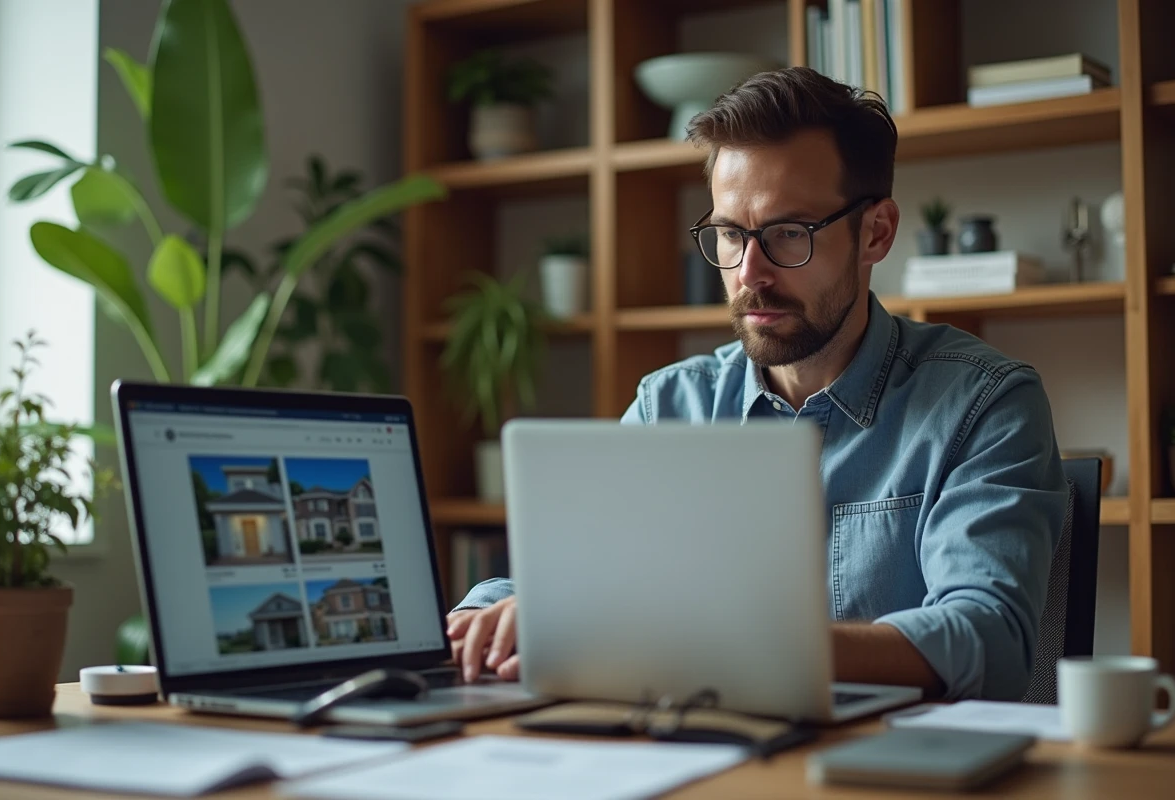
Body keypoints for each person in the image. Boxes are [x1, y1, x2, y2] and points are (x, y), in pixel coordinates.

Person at [445, 67, 1066, 702]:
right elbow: (555, 580)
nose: (750, 273)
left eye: (788, 234)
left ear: (875, 233)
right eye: (730, 235)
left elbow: (990, 641)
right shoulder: (669, 407)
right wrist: (484, 620)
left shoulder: (985, 403)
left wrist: (712, 645)